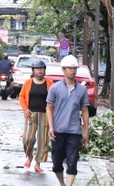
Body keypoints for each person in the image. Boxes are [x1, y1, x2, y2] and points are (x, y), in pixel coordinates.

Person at [46, 55, 89, 186]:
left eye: (74, 68)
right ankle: (62, 183)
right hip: (58, 129)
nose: (72, 71)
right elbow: (49, 108)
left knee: (72, 160)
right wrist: (51, 127)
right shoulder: (55, 88)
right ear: (63, 70)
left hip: (74, 131)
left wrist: (86, 131)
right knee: (56, 162)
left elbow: (85, 111)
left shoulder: (81, 90)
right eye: (70, 68)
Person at [19, 59, 54, 173]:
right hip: (31, 114)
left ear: (44, 70)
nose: (40, 71)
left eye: (41, 69)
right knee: (28, 138)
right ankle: (29, 155)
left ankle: (37, 163)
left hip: (45, 114)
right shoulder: (28, 83)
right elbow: (22, 96)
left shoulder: (49, 83)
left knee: (42, 140)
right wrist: (25, 109)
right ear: (33, 71)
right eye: (37, 69)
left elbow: (54, 99)